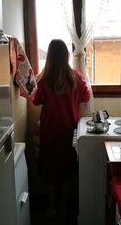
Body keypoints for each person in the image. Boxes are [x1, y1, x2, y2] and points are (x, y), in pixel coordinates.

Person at [32, 39, 90, 218]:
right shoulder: (76, 77)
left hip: (50, 131)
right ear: (66, 56)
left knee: (50, 169)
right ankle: (64, 207)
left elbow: (35, 100)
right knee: (66, 169)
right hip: (70, 131)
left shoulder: (45, 81)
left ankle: (51, 206)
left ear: (49, 57)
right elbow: (86, 97)